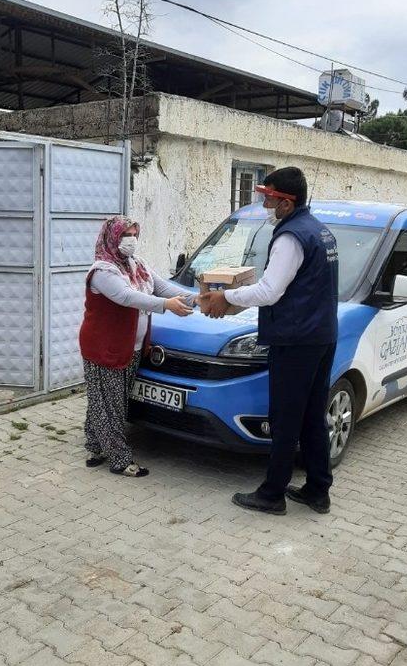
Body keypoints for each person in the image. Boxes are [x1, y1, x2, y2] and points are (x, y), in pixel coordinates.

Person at [200, 167, 339, 514]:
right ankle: (318, 489)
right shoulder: (320, 231)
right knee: (311, 415)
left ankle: (272, 494)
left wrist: (228, 297)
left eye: (270, 197)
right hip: (320, 336)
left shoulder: (291, 237)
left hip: (296, 340)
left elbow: (270, 290)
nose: (265, 201)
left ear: (287, 203)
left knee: (286, 418)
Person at [79, 215, 197, 477]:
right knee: (109, 405)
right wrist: (166, 306)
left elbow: (163, 287)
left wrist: (201, 299)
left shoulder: (137, 265)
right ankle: (119, 459)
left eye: (134, 234)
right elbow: (125, 297)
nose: (130, 240)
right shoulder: (102, 271)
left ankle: (95, 445)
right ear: (111, 237)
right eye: (124, 235)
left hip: (130, 346)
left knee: (104, 400)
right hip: (104, 346)